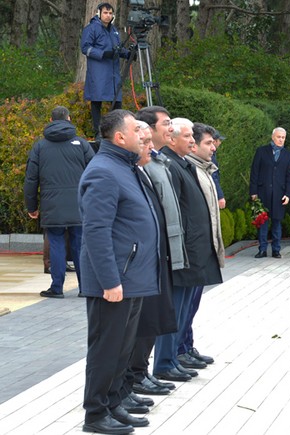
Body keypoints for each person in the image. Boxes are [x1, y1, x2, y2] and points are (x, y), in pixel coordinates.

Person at [79, 109, 160, 434]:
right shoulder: (103, 172)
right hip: (114, 281)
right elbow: (96, 231)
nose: (143, 136)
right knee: (106, 348)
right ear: (119, 137)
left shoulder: (124, 167)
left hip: (131, 277)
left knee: (122, 349)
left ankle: (114, 402)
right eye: (135, 130)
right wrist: (110, 280)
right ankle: (96, 414)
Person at [154, 118, 223, 383]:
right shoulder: (171, 166)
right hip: (184, 251)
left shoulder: (181, 164)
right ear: (172, 139)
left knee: (184, 309)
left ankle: (174, 356)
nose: (193, 143)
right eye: (189, 138)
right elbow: (174, 213)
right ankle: (165, 361)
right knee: (175, 309)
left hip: (194, 249)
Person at [123, 121, 177, 400]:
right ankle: (129, 381)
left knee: (152, 321)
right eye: (144, 140)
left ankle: (139, 374)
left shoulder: (149, 168)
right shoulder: (126, 172)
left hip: (154, 258)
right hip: (135, 265)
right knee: (134, 329)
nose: (150, 146)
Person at [24, 106, 94, 299]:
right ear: (69, 119)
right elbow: (96, 172)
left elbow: (31, 179)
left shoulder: (40, 147)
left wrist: (32, 206)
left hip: (52, 205)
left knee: (55, 243)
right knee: (80, 244)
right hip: (79, 204)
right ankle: (85, 287)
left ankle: (57, 288)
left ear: (50, 120)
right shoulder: (81, 144)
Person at [80, 2, 130, 138]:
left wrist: (128, 54)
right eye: (105, 13)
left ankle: (116, 131)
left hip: (113, 73)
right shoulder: (91, 29)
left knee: (116, 102)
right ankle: (98, 132)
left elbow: (118, 48)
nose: (108, 16)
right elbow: (85, 48)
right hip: (98, 72)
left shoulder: (114, 31)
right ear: (99, 14)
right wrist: (102, 54)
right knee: (97, 101)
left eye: (110, 13)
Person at [250, 128, 290, 258]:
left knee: (276, 222)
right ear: (273, 137)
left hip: (279, 195)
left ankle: (276, 250)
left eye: (283, 137)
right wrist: (253, 192)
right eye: (278, 137)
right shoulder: (262, 151)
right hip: (263, 193)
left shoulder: (288, 155)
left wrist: (288, 194)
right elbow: (255, 172)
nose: (281, 139)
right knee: (262, 222)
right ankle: (262, 249)